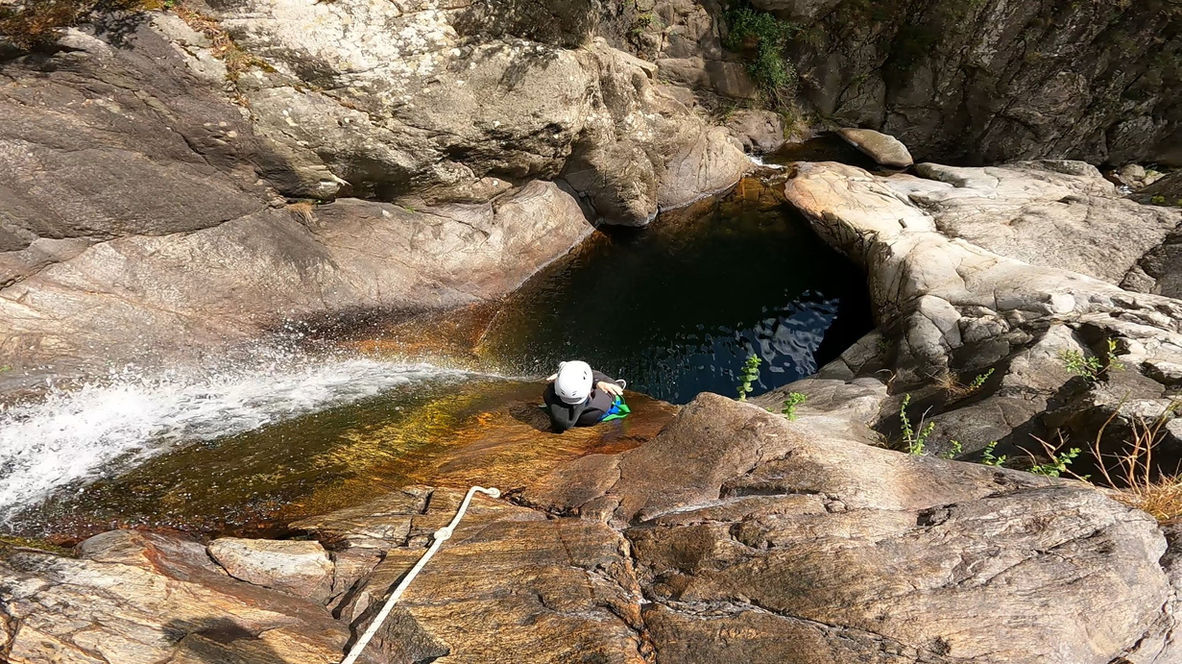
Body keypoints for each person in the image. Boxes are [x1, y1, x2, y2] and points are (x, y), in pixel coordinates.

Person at [543, 360, 629, 432]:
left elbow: (551, 387)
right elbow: (611, 393)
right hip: (593, 411)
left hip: (576, 400)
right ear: (589, 391)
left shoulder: (549, 395)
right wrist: (598, 382)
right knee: (609, 386)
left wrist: (562, 378)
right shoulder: (599, 405)